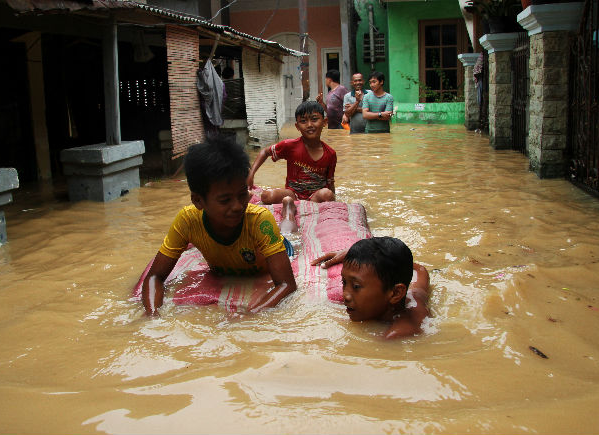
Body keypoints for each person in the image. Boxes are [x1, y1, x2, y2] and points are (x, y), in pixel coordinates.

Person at [141, 135, 297, 316]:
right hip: (233, 261)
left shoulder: (260, 220)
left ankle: (288, 208)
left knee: (288, 232)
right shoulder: (187, 221)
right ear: (198, 201)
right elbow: (154, 277)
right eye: (225, 200)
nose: (238, 206)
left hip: (278, 249)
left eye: (242, 195)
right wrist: (152, 314)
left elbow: (287, 284)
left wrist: (250, 314)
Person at [311, 237, 430, 340]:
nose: (345, 295)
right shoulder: (414, 294)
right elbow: (420, 270)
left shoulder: (399, 332)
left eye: (356, 286)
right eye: (344, 282)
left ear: (395, 293)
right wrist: (362, 257)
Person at [247, 100, 336, 208]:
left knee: (327, 194)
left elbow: (330, 182)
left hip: (315, 197)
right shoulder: (290, 146)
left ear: (324, 122)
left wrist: (333, 200)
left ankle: (304, 206)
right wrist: (251, 174)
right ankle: (298, 205)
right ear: (297, 126)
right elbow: (265, 152)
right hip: (292, 195)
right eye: (303, 121)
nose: (309, 125)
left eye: (314, 119)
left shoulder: (330, 154)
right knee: (266, 195)